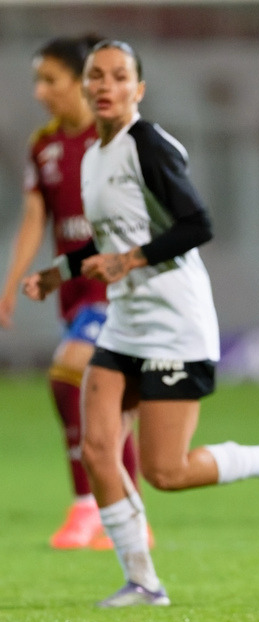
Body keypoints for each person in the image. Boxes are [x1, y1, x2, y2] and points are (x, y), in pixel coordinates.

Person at [22, 39, 259, 607]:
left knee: (167, 471)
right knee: (98, 447)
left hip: (174, 324)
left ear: (138, 89)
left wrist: (130, 260)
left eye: (118, 76)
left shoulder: (148, 146)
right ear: (86, 88)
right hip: (125, 322)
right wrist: (58, 273)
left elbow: (197, 223)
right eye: (96, 76)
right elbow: (100, 239)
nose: (105, 85)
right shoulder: (93, 156)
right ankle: (143, 581)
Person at [0, 34, 147, 550]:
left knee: (69, 374)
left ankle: (89, 506)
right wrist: (12, 281)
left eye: (50, 80)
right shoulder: (43, 144)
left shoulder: (120, 141)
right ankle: (128, 515)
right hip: (75, 289)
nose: (41, 91)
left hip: (118, 289)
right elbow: (37, 215)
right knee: (108, 406)